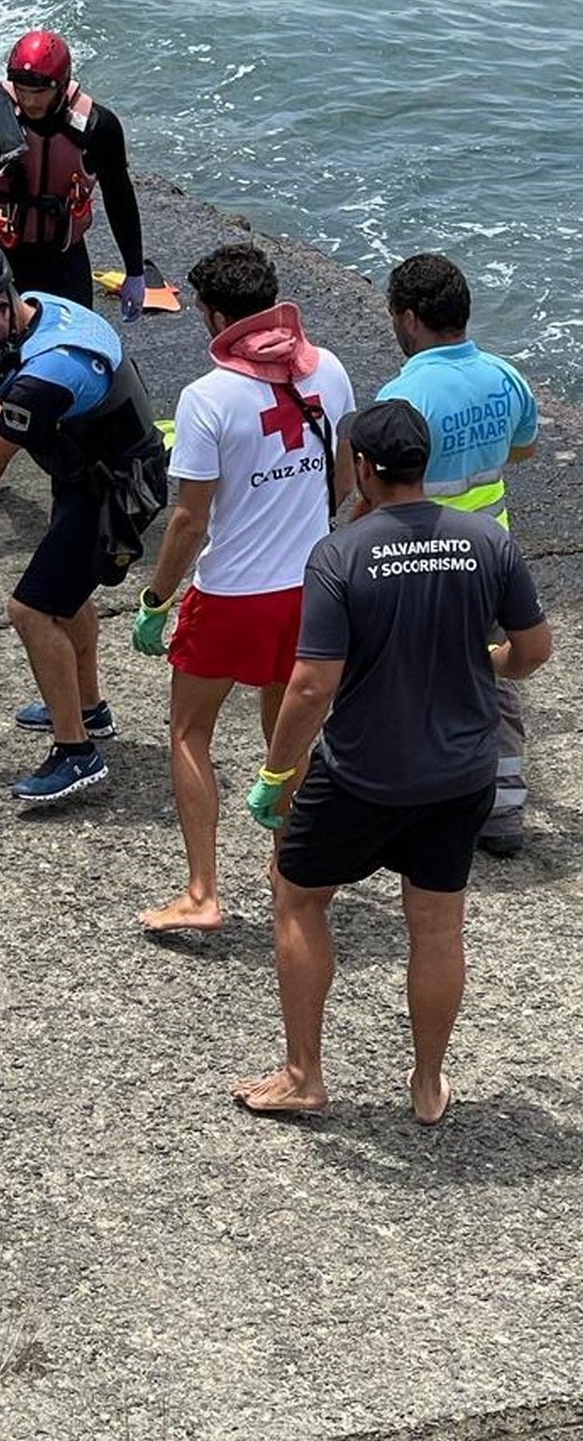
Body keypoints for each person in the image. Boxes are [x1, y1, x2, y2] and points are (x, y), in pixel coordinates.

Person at [235, 400, 552, 1122]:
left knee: (298, 894)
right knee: (438, 926)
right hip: (463, 771)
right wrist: (486, 660)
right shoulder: (486, 542)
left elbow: (312, 683)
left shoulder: (340, 554)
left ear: (364, 469)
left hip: (364, 773)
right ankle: (428, 1082)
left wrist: (276, 778)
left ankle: (304, 1073)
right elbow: (531, 651)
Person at [132, 244, 355, 934]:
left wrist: (156, 600)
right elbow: (344, 476)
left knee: (188, 731)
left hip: (231, 594)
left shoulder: (207, 397)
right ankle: (291, 868)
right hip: (313, 586)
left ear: (215, 315)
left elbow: (190, 520)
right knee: (285, 731)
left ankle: (202, 890)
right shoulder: (332, 370)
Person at [0, 241, 166, 802]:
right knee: (66, 595)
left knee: (31, 609)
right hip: (90, 474)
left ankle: (76, 752)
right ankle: (88, 709)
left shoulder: (50, 372)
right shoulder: (38, 308)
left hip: (116, 494)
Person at [375, 252, 540, 858]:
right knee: (489, 676)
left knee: (409, 678)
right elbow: (522, 450)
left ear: (412, 319)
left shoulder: (404, 393)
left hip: (422, 554)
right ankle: (503, 810)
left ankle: (417, 802)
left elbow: (382, 485)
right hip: (494, 551)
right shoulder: (505, 376)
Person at [0, 30, 169, 319]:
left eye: (40, 92)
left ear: (62, 85)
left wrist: (134, 272)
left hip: (63, 263)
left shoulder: (98, 128)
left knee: (73, 353)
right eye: (21, 90)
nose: (30, 102)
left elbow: (119, 199)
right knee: (3, 357)